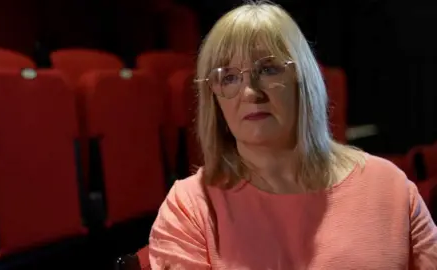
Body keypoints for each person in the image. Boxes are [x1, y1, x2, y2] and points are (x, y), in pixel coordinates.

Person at [148, 1, 437, 269]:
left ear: (303, 80)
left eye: (269, 69)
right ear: (215, 99)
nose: (251, 92)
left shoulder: (390, 187)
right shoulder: (191, 206)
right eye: (229, 77)